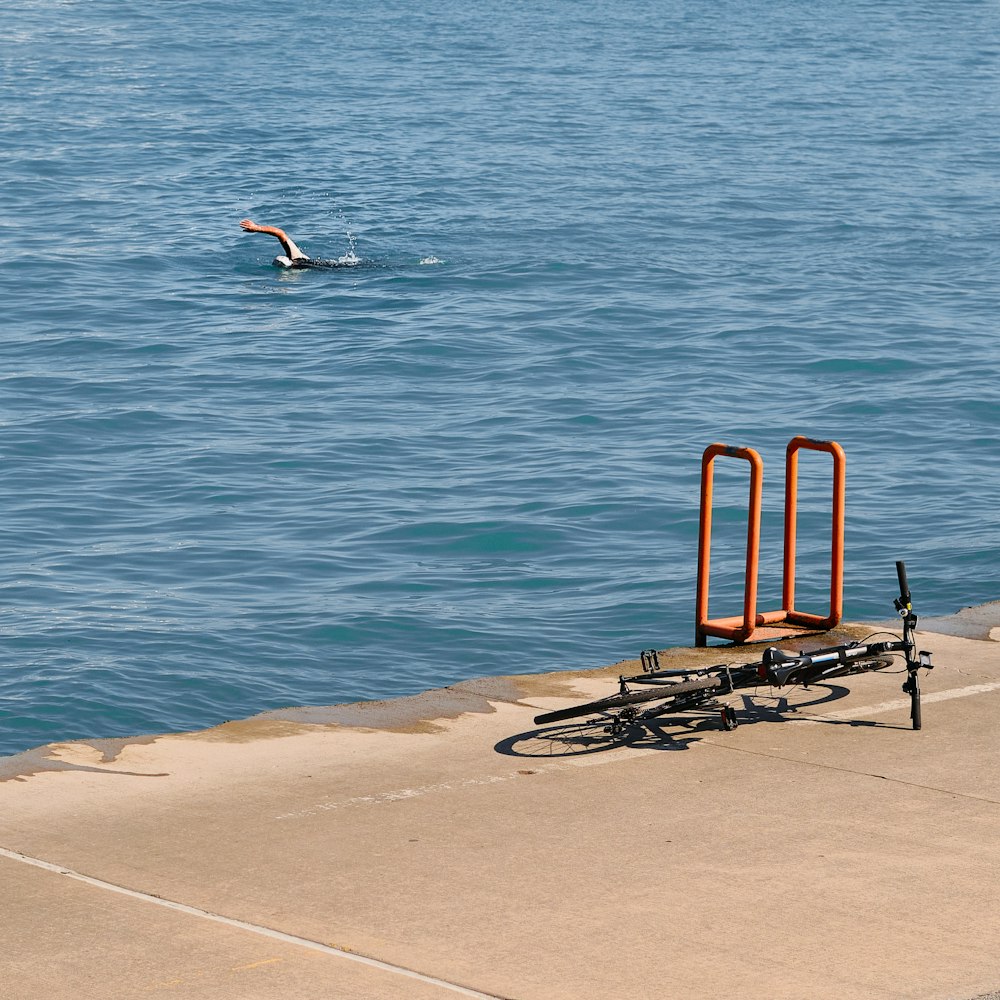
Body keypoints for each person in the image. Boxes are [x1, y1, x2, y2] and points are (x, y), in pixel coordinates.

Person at [239, 219, 349, 269]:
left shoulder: (296, 256)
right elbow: (280, 233)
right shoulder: (294, 257)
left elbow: (280, 233)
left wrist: (257, 228)